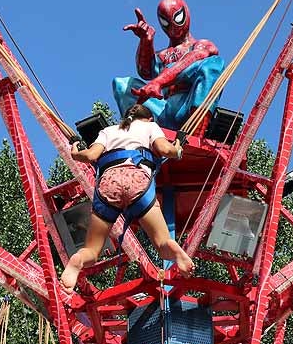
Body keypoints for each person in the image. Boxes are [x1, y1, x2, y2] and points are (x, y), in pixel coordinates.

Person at [61, 104, 194, 291]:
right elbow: (166, 151)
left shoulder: (108, 131)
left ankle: (78, 261)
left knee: (92, 250)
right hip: (137, 180)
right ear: (148, 118)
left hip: (108, 183)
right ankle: (174, 251)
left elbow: (90, 155)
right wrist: (178, 147)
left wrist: (75, 150)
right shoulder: (150, 127)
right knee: (162, 242)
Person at [113, 0, 224, 131]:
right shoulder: (162, 55)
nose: (173, 25)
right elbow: (145, 71)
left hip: (187, 108)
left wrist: (158, 82)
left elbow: (194, 57)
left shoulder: (202, 45)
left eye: (177, 17)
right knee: (121, 84)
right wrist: (146, 41)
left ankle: (197, 130)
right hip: (162, 109)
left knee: (214, 64)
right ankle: (135, 131)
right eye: (166, 21)